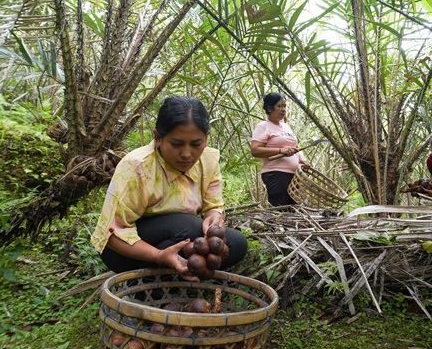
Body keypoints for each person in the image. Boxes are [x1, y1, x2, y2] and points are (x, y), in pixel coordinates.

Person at [91, 96, 247, 279]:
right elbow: (111, 234)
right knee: (190, 227)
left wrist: (214, 219)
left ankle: (172, 279)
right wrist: (159, 256)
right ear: (158, 138)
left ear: (206, 139)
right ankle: (142, 282)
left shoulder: (208, 161)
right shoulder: (137, 166)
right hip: (125, 252)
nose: (187, 154)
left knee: (236, 243)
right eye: (176, 144)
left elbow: (213, 207)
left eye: (196, 144)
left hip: (175, 239)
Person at [251, 92, 307, 206]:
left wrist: (303, 159)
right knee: (281, 211)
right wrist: (281, 151)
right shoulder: (263, 126)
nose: (283, 109)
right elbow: (255, 150)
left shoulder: (286, 127)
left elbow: (296, 147)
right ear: (270, 108)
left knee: (295, 210)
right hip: (276, 174)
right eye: (279, 106)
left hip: (294, 176)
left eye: (284, 106)